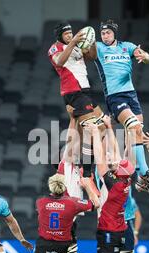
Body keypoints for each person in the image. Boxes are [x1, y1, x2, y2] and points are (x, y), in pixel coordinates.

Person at [85, 19, 149, 195]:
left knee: (137, 134)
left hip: (131, 95)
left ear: (114, 33)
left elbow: (144, 54)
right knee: (134, 127)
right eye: (103, 33)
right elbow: (85, 51)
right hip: (114, 96)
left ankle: (138, 176)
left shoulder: (126, 46)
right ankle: (144, 174)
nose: (105, 36)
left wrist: (145, 56)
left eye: (108, 33)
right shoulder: (98, 47)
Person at [48, 21, 106, 185]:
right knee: (93, 129)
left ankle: (63, 155)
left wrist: (92, 41)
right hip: (73, 92)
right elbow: (59, 62)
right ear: (60, 36)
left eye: (70, 33)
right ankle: (87, 172)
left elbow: (92, 56)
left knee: (100, 128)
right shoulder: (55, 48)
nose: (70, 35)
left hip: (85, 91)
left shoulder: (77, 46)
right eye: (66, 34)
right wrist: (72, 42)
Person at [87, 121, 137, 253]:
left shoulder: (112, 183)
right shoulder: (124, 180)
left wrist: (94, 133)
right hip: (120, 226)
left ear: (119, 170)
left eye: (116, 163)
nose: (114, 160)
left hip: (108, 229)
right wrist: (108, 127)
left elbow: (101, 159)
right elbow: (117, 157)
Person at [29, 173, 99, 253]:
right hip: (62, 246)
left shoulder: (40, 202)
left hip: (44, 243)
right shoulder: (73, 202)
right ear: (64, 187)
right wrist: (87, 186)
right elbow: (96, 203)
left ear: (51, 186)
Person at [55, 117, 84, 253]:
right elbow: (71, 139)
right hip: (67, 219)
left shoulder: (73, 169)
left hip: (67, 219)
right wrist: (75, 119)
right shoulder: (65, 165)